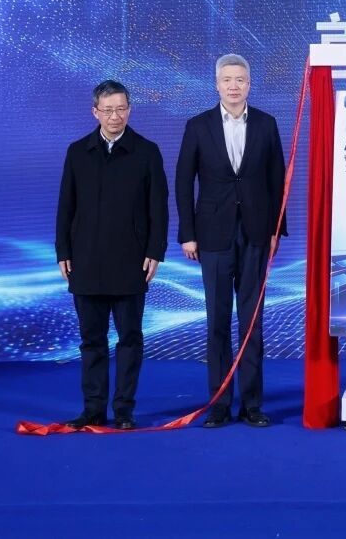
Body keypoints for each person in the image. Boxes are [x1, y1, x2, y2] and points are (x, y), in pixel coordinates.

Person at [176, 54, 287, 428]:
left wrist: (276, 230)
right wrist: (188, 234)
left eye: (240, 79)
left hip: (256, 233)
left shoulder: (267, 124)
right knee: (218, 321)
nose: (233, 86)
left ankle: (252, 404)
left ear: (249, 84)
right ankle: (220, 404)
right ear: (217, 84)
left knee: (252, 322)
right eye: (227, 79)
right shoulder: (198, 126)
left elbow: (277, 179)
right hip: (212, 235)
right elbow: (183, 182)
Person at [55, 80, 168, 430]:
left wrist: (155, 250)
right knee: (92, 340)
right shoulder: (78, 152)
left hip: (131, 261)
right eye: (107, 110)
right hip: (85, 260)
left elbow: (159, 208)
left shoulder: (147, 152)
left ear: (129, 110)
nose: (115, 116)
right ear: (95, 112)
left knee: (130, 339)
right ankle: (93, 409)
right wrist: (63, 250)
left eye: (121, 109)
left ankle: (123, 410)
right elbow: (65, 206)